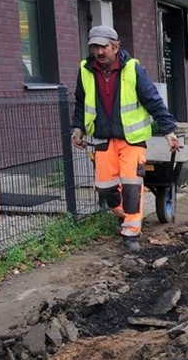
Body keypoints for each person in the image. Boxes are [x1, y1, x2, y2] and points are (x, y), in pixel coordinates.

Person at [71, 25, 180, 253]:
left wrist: (169, 130)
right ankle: (122, 214)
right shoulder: (86, 70)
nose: (99, 52)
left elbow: (153, 100)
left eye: (104, 47)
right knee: (105, 188)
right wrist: (78, 128)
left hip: (131, 140)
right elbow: (81, 102)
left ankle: (131, 233)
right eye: (95, 47)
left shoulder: (132, 69)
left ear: (115, 46)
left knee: (131, 187)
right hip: (102, 138)